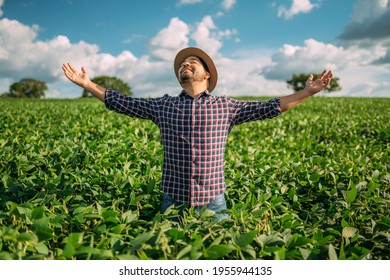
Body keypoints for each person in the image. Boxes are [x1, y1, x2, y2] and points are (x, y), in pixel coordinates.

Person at [62, 47, 332, 221]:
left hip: (213, 202)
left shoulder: (226, 106)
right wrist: (88, 84)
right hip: (173, 202)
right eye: (182, 64)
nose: (185, 65)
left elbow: (271, 107)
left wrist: (307, 92)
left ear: (207, 75)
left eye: (192, 63)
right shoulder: (164, 105)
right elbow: (123, 103)